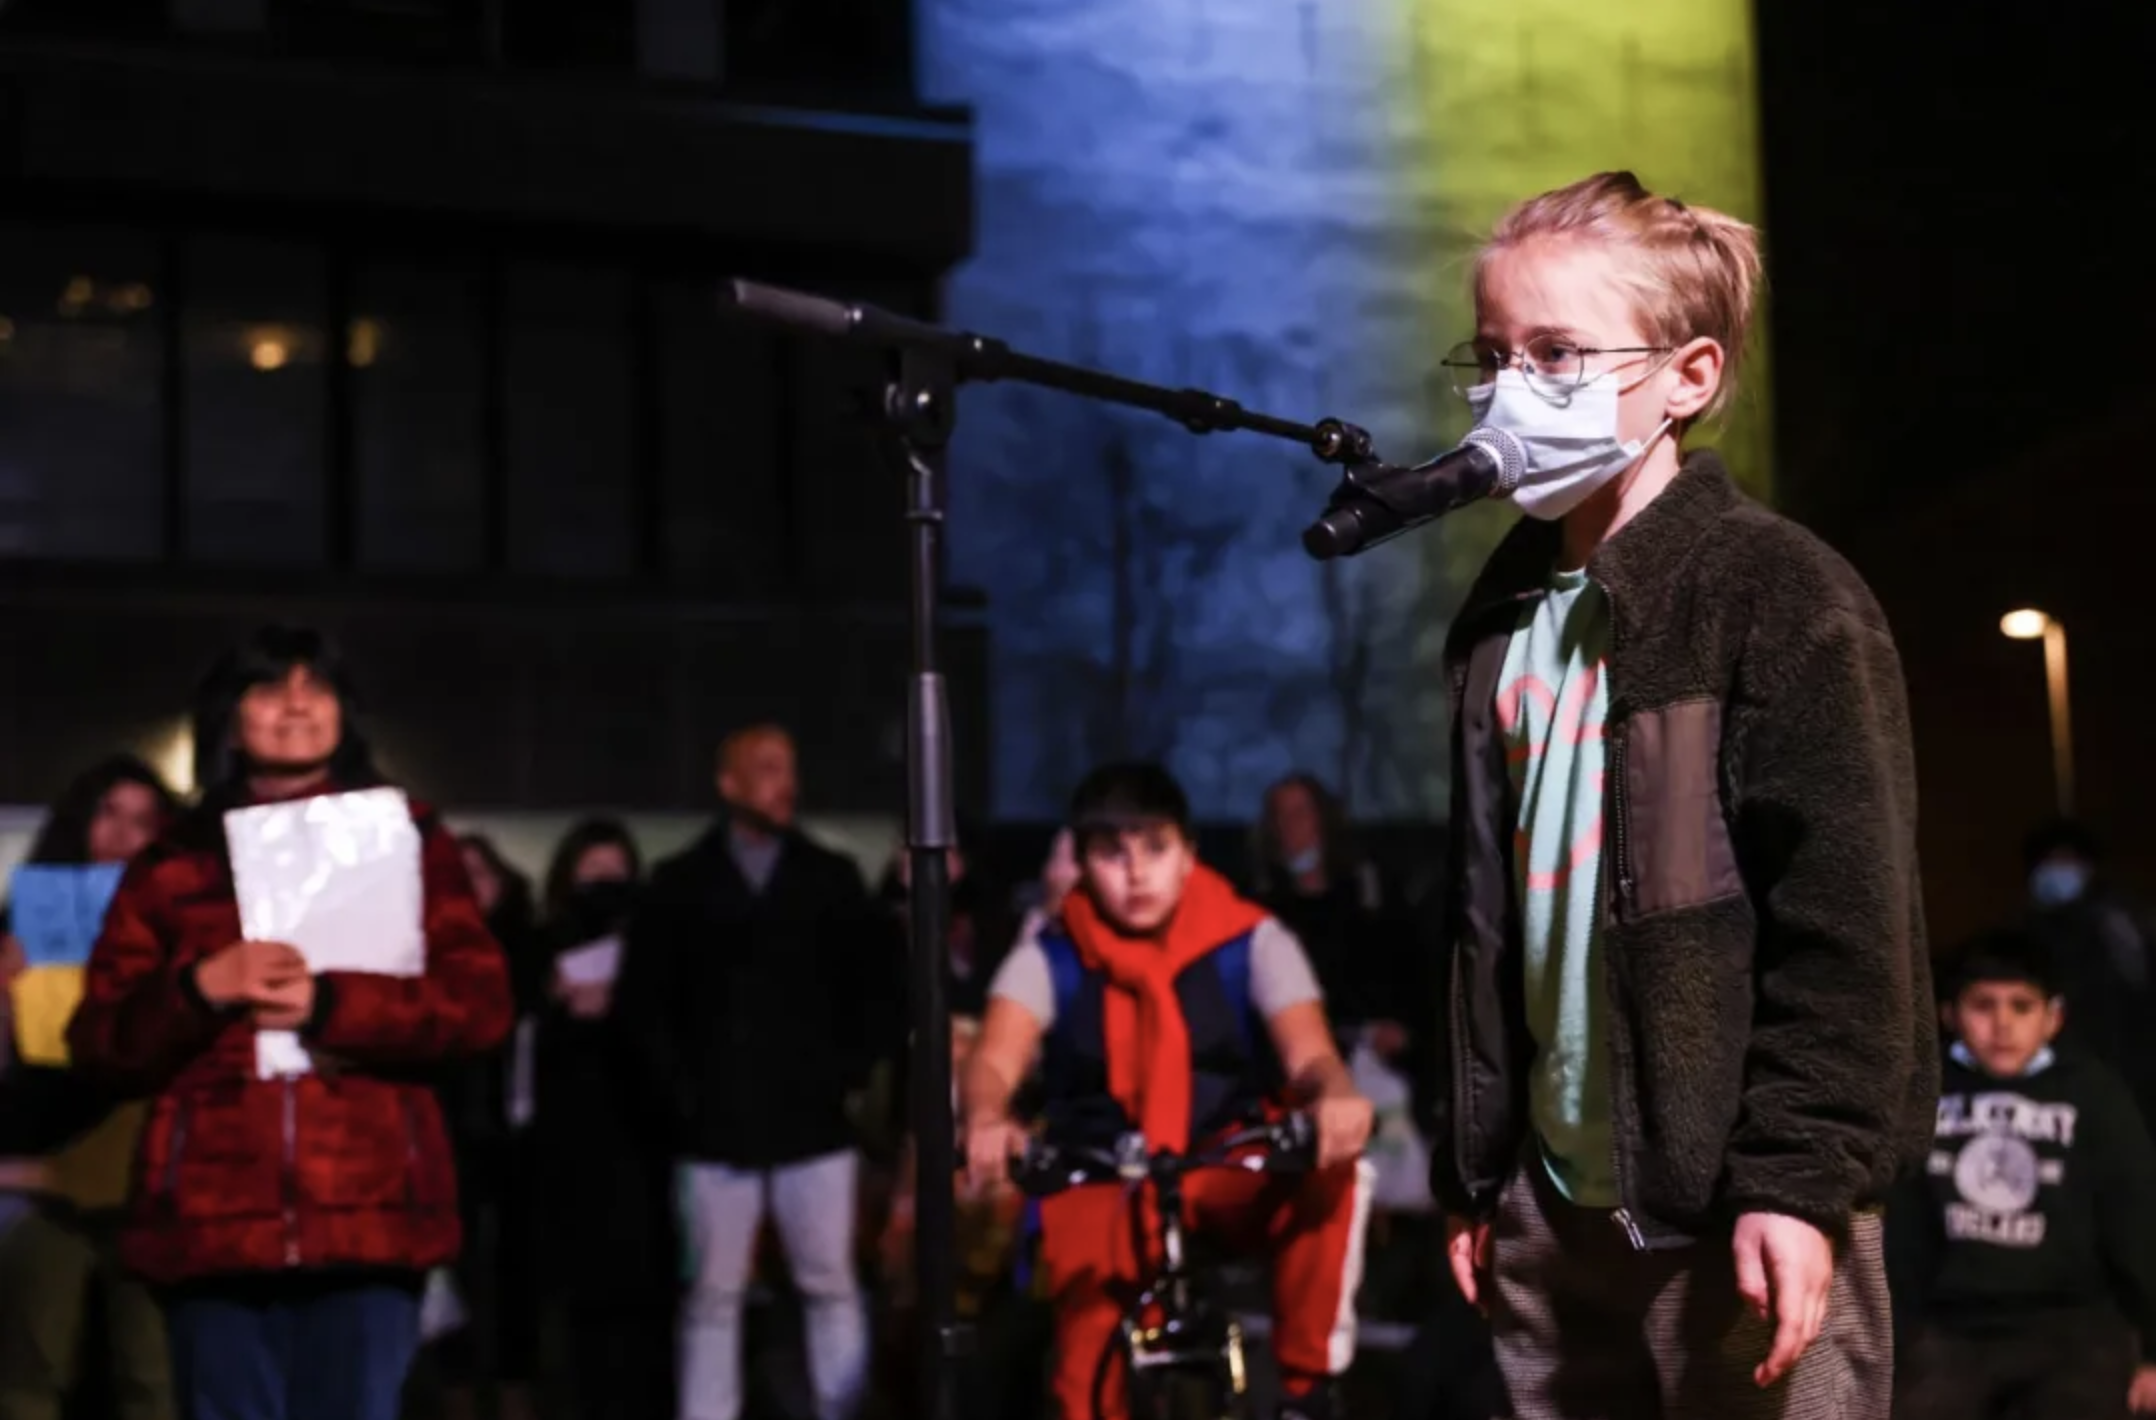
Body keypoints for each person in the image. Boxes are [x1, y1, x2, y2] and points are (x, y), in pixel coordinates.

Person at [1430, 171, 1934, 1419]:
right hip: (1549, 1212)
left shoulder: (1777, 596)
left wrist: (1795, 1180)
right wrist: (1480, 1170)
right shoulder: (1499, 617)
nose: (1509, 388)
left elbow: (1847, 925)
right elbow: (1487, 922)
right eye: (1492, 354)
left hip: (1734, 1207)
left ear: (1686, 377)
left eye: (1555, 353)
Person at [66, 625, 514, 1420]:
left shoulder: (409, 837)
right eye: (271, 688)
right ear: (230, 718)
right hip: (212, 1221)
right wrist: (199, 988)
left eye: (319, 687)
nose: (298, 705)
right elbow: (102, 1042)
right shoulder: (172, 861)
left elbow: (478, 1006)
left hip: (372, 1211)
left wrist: (332, 1005)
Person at [961, 762, 1376, 1420]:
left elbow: (1311, 1054)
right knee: (1085, 1384)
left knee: (1337, 1166)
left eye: (1155, 848)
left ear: (1188, 854)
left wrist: (1335, 1095)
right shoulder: (1051, 954)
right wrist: (987, 1114)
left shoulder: (1251, 939)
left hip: (1221, 1162)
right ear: (1082, 862)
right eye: (1111, 853)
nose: (1135, 873)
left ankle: (1306, 1391)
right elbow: (994, 1058)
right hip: (1102, 1176)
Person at [613, 725, 897, 1420]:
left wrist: (844, 1077)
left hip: (812, 1123)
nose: (785, 784)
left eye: (789, 769)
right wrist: (683, 1098)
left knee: (829, 1284)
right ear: (728, 782)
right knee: (713, 1296)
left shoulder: (830, 879)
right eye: (767, 769)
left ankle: (843, 1408)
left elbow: (877, 991)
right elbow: (644, 1007)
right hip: (714, 1130)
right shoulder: (679, 884)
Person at [1890, 930, 2156, 1418]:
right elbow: (1901, 1230)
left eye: (2021, 1006)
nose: (2002, 1024)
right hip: (1949, 1326)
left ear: (2053, 1018)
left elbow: (2136, 1221)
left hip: (2072, 1324)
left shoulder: (2095, 1095)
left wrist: (2153, 1352)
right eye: (1983, 1005)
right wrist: (1894, 1338)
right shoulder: (1922, 1093)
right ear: (1949, 1015)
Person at [0, 756, 180, 1420]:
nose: (122, 835)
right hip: (39, 1172)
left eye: (143, 821)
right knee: (30, 1374)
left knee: (149, 1373)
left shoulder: (183, 929)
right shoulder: (23, 921)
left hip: (145, 1171)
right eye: (109, 813)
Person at [531, 819, 676, 1420]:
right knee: (579, 1309)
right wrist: (556, 1002)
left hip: (640, 1146)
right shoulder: (540, 946)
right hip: (566, 1152)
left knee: (642, 1305)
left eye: (617, 875)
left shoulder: (657, 951)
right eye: (592, 875)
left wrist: (625, 1004)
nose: (605, 890)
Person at [2022, 820, 2156, 1125]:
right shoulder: (2024, 929)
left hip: (2126, 1069)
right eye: (2049, 862)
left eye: (2067, 861)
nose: (2058, 871)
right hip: (2050, 1073)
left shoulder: (2121, 926)